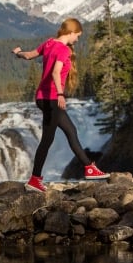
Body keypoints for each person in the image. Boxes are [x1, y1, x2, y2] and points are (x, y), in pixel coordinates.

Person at [12, 18, 109, 193]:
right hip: (51, 99)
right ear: (71, 32)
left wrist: (18, 52)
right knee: (47, 140)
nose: (77, 40)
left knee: (71, 131)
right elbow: (56, 72)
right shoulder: (63, 50)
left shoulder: (49, 43)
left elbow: (28, 55)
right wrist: (60, 94)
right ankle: (35, 179)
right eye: (77, 36)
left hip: (42, 98)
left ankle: (89, 168)